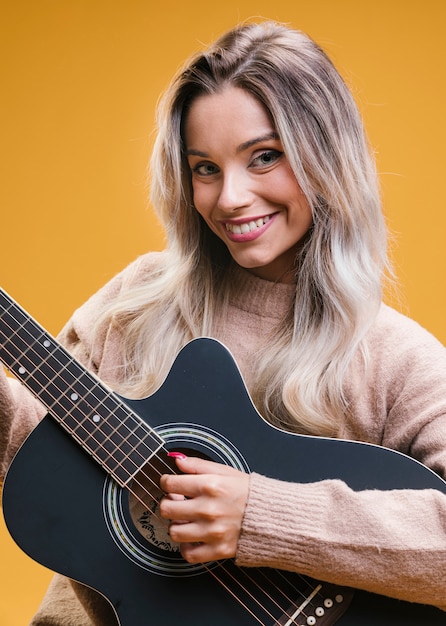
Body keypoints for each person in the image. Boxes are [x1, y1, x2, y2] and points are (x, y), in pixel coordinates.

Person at [1, 19, 446, 625]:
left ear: (328, 158)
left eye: (264, 158)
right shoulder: (139, 301)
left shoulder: (397, 359)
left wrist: (261, 516)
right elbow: (42, 449)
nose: (229, 197)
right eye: (204, 168)